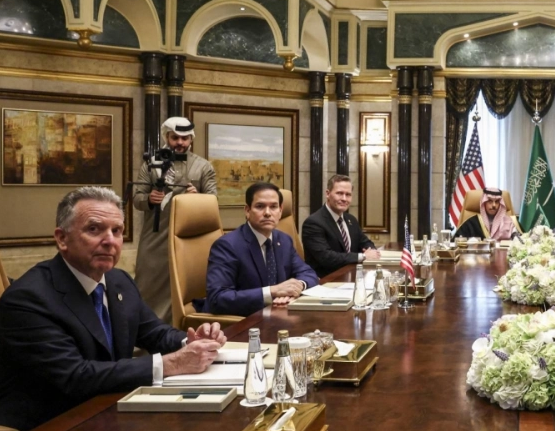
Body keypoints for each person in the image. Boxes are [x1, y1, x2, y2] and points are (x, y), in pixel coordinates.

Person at [0, 187, 225, 431]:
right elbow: (76, 376)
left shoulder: (118, 281)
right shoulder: (29, 299)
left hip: (100, 413)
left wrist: (190, 340)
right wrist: (171, 363)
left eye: (117, 231)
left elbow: (154, 333)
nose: (110, 240)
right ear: (62, 238)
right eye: (94, 229)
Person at [132, 117, 217, 323]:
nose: (180, 142)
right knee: (148, 285)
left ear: (191, 140)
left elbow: (213, 201)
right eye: (175, 137)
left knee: (185, 286)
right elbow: (136, 198)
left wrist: (198, 198)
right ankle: (146, 337)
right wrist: (149, 199)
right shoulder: (150, 164)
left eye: (184, 138)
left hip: (190, 240)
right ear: (166, 137)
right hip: (155, 236)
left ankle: (180, 333)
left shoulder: (203, 167)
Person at [198, 182, 319, 317]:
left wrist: (297, 287)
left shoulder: (284, 240)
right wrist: (272, 292)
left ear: (280, 211)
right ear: (247, 211)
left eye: (273, 207)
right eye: (260, 206)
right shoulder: (227, 246)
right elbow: (217, 298)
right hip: (241, 322)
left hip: (276, 315)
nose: (267, 213)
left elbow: (308, 273)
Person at [302, 174, 380, 278]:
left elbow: (366, 243)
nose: (344, 198)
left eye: (348, 194)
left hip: (351, 276)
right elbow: (327, 258)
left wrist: (371, 251)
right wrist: (364, 256)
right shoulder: (313, 223)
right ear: (328, 193)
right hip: (326, 281)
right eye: (339, 193)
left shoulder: (351, 220)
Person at [455, 187, 521, 240]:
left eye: (497, 201)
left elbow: (521, 242)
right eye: (490, 201)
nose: (494, 205)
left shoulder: (508, 222)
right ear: (484, 203)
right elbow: (456, 241)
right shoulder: (471, 223)